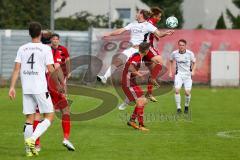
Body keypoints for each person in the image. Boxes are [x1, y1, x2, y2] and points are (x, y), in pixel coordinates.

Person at [8, 22, 58, 157]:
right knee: (50, 115)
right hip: (40, 88)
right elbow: (51, 69)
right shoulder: (45, 49)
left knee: (29, 118)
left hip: (27, 88)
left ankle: (28, 150)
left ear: (29, 33)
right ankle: (32, 139)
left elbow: (16, 69)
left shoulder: (22, 48)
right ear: (40, 33)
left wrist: (12, 87)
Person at [97, 9, 174, 84]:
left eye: (137, 13)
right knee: (117, 60)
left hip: (140, 51)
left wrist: (166, 33)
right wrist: (108, 34)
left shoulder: (148, 25)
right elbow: (121, 30)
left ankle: (146, 81)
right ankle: (104, 77)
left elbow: (159, 34)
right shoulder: (133, 24)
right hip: (131, 49)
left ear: (141, 15)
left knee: (131, 69)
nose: (136, 14)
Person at [34, 33, 75, 151]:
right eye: (53, 39)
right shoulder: (48, 51)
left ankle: (36, 144)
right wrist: (62, 86)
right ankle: (66, 138)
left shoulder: (33, 49)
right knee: (65, 111)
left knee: (37, 115)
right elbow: (56, 67)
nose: (55, 41)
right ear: (50, 41)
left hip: (39, 86)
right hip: (52, 85)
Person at [122, 42, 150, 131]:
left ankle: (132, 120)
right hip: (128, 82)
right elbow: (130, 67)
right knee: (142, 101)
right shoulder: (137, 57)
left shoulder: (137, 55)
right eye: (148, 49)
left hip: (131, 82)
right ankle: (140, 125)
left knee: (143, 101)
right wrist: (139, 74)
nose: (149, 51)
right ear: (146, 51)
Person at [169, 39, 196, 113]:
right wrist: (170, 71)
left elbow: (194, 62)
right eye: (180, 45)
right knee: (177, 90)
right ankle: (178, 108)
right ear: (178, 45)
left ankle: (186, 106)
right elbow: (171, 61)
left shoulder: (190, 53)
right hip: (179, 75)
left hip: (188, 76)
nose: (181, 46)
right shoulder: (174, 53)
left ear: (185, 46)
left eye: (183, 45)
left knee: (187, 93)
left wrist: (193, 71)